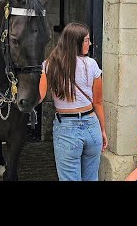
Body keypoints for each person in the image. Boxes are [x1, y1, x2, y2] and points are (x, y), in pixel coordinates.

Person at [46, 22, 107, 181]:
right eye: (87, 40)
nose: (90, 43)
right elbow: (98, 102)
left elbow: (37, 97)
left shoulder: (50, 64)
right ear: (76, 42)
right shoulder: (92, 64)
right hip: (92, 125)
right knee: (91, 178)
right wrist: (102, 130)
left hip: (67, 127)